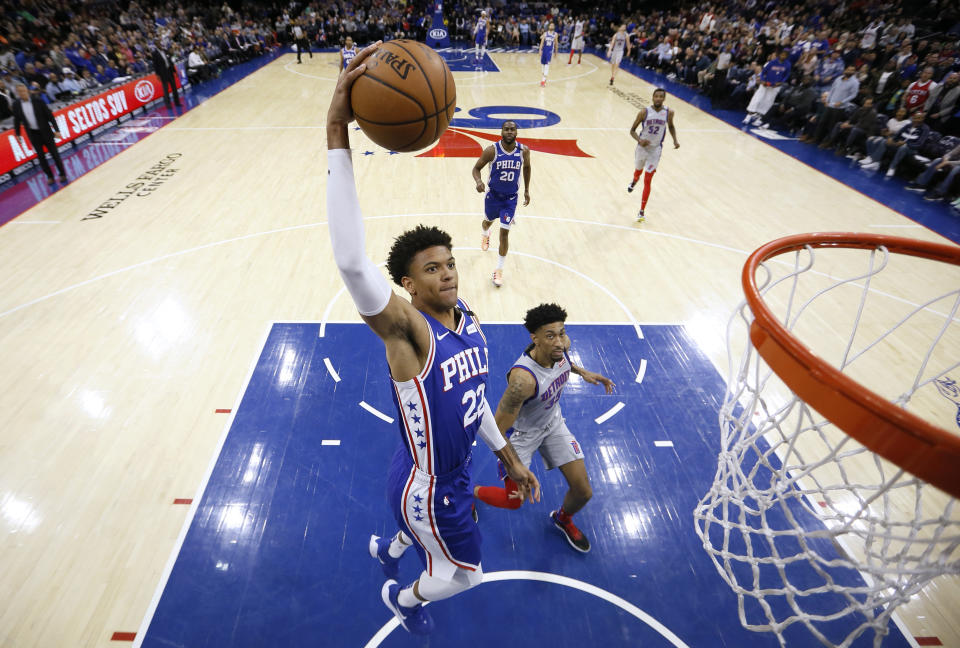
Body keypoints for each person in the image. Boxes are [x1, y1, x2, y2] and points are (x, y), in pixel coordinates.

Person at [326, 42, 540, 636]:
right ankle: (405, 597)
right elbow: (349, 260)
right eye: (431, 268)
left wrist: (508, 456)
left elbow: (472, 403)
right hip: (431, 484)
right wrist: (336, 131)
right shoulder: (410, 331)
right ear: (407, 286)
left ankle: (388, 549)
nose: (446, 272)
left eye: (449, 262)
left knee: (417, 516)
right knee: (466, 574)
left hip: (428, 468)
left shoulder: (464, 314)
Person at [473, 303, 615, 553]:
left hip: (553, 423)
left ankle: (562, 519)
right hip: (522, 435)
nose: (559, 342)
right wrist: (514, 465)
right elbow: (495, 431)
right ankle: (467, 493)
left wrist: (582, 372)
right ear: (534, 339)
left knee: (583, 491)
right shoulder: (522, 381)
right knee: (513, 501)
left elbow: (564, 362)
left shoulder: (562, 347)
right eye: (550, 336)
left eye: (562, 332)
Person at [472, 120, 531, 288]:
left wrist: (526, 190)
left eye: (513, 129)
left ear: (517, 133)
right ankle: (485, 233)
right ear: (501, 132)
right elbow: (476, 168)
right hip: (493, 196)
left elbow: (527, 168)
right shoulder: (492, 151)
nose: (510, 132)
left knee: (504, 233)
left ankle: (498, 270)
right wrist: (478, 181)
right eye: (507, 129)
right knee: (487, 221)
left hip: (510, 199)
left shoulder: (524, 151)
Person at [628, 88, 680, 223]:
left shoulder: (669, 112)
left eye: (661, 97)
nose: (658, 98)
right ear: (652, 97)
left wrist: (675, 139)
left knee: (648, 179)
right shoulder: (644, 112)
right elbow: (632, 131)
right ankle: (634, 180)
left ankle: (641, 211)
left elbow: (671, 126)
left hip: (655, 150)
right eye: (656, 96)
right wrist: (639, 140)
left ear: (664, 98)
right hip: (642, 148)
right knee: (638, 172)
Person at [11, 82, 67, 186]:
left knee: (55, 154)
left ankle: (62, 174)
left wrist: (57, 130)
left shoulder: (38, 100)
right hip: (33, 134)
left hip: (46, 132)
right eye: (19, 92)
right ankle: (50, 177)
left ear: (27, 90)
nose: (22, 93)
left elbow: (49, 115)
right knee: (41, 157)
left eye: (23, 91)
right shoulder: (16, 104)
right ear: (17, 93)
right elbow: (17, 120)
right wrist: (17, 134)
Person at [743, 49, 791, 125]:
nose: (783, 56)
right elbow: (763, 72)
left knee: (768, 101)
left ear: (787, 56)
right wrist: (763, 80)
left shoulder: (788, 64)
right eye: (782, 54)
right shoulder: (772, 62)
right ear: (779, 54)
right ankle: (748, 116)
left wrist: (780, 82)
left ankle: (760, 118)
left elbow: (786, 75)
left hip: (775, 86)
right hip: (765, 83)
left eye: (785, 55)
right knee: (757, 98)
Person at [151, 44, 181, 109]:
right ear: (156, 45)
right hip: (163, 73)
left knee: (174, 88)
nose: (160, 45)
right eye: (158, 42)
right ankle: (168, 105)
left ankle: (177, 102)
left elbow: (170, 61)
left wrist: (174, 71)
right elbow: (155, 65)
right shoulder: (155, 53)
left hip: (169, 71)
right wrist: (158, 74)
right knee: (166, 90)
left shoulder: (165, 51)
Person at [538, 22, 556, 87]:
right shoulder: (545, 34)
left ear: (554, 27)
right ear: (549, 26)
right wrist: (540, 50)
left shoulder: (555, 34)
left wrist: (556, 52)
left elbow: (556, 44)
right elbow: (542, 42)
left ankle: (543, 81)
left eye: (553, 25)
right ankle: (544, 78)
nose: (551, 26)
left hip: (549, 52)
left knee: (547, 66)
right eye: (550, 25)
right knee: (543, 66)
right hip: (544, 51)